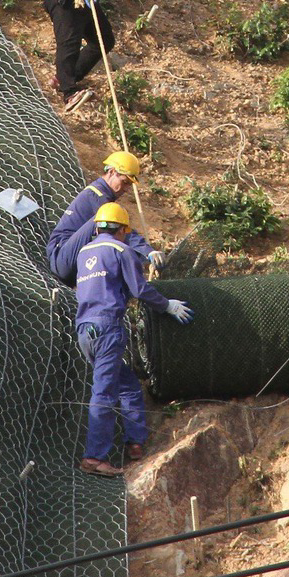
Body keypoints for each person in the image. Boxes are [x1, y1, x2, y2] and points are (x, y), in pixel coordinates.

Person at [75, 202, 191, 476]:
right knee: (103, 393)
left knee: (126, 384)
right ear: (123, 229)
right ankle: (94, 458)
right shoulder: (121, 250)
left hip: (84, 330)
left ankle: (135, 441)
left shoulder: (84, 253)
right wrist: (167, 305)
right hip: (107, 328)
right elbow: (139, 289)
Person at [45, 150, 152, 283]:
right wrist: (147, 252)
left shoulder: (101, 198)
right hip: (61, 258)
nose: (126, 189)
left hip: (70, 265)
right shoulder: (96, 195)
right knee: (111, 223)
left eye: (129, 185)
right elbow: (120, 229)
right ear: (112, 172)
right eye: (124, 182)